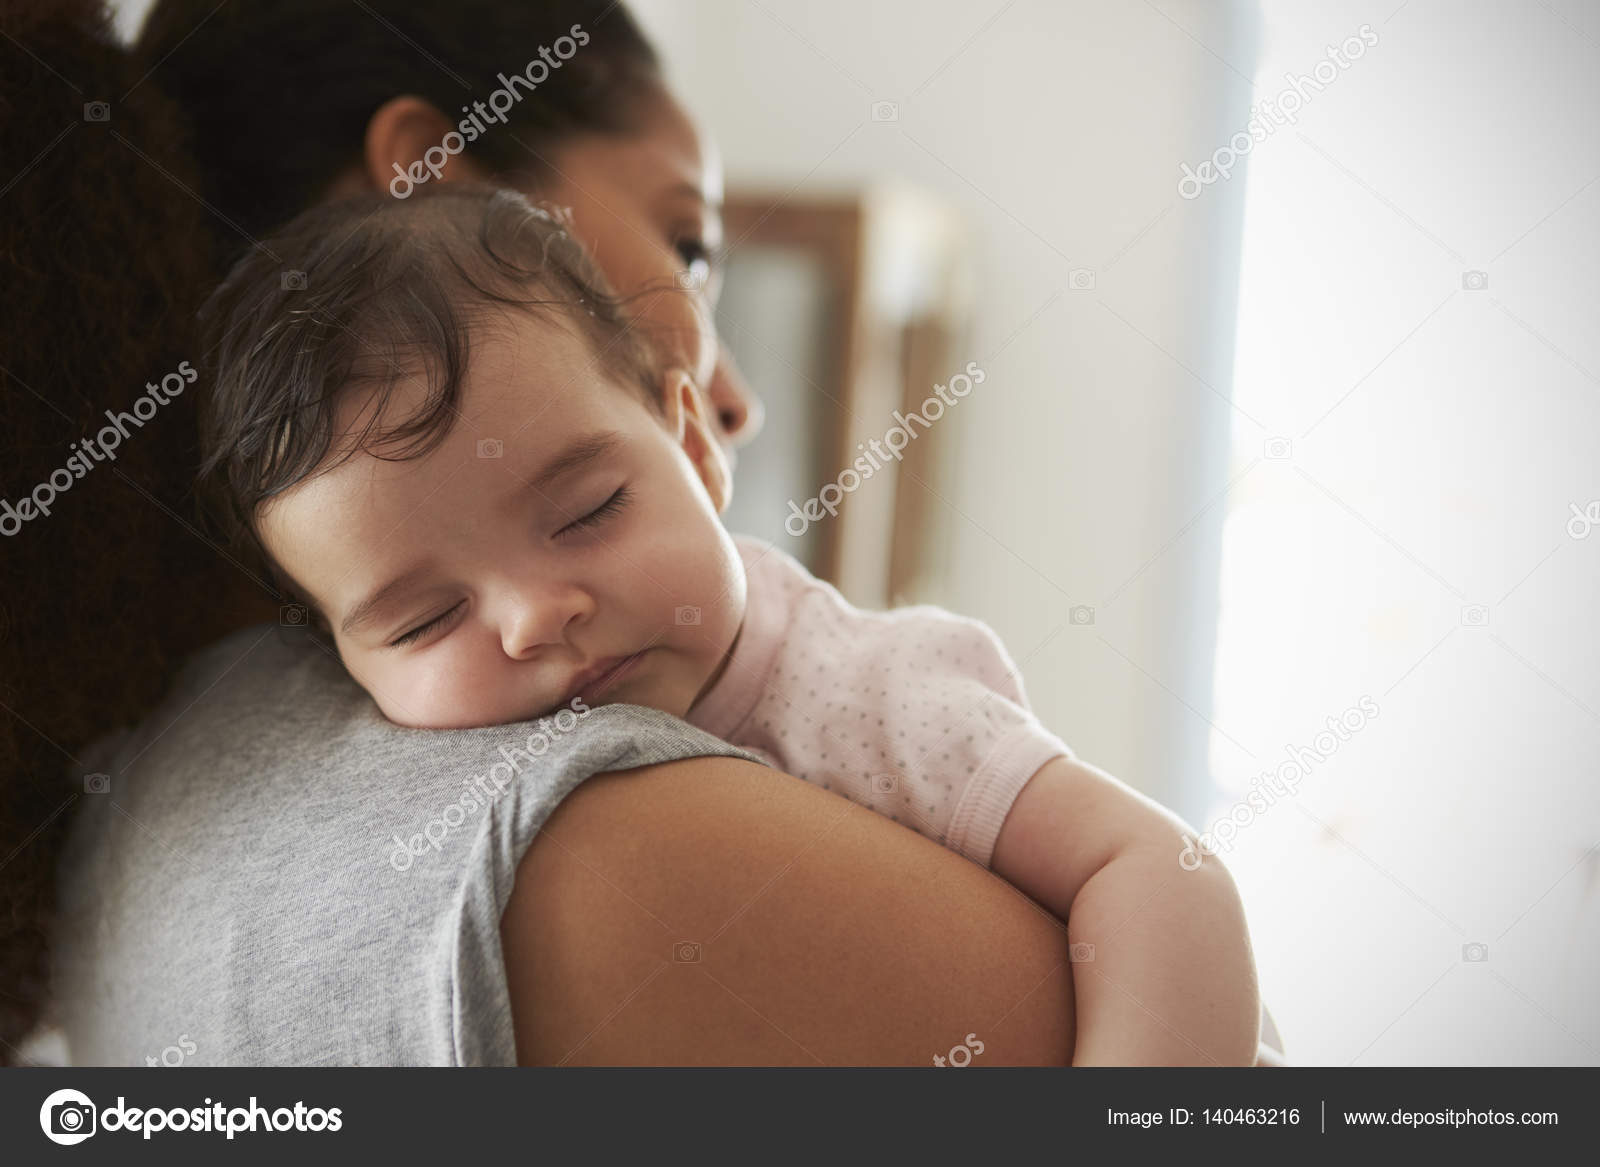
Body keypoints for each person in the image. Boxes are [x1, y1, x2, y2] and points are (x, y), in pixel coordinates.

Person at [14, 0, 1082, 1068]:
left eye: (586, 511)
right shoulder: (594, 844)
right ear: (438, 180)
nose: (738, 404)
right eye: (688, 244)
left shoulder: (128, 822)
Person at [196, 185, 1263, 1065]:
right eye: (427, 620)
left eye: (587, 513)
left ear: (696, 448)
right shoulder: (437, 790)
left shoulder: (870, 691)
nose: (533, 619)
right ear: (337, 658)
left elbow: (1156, 872)